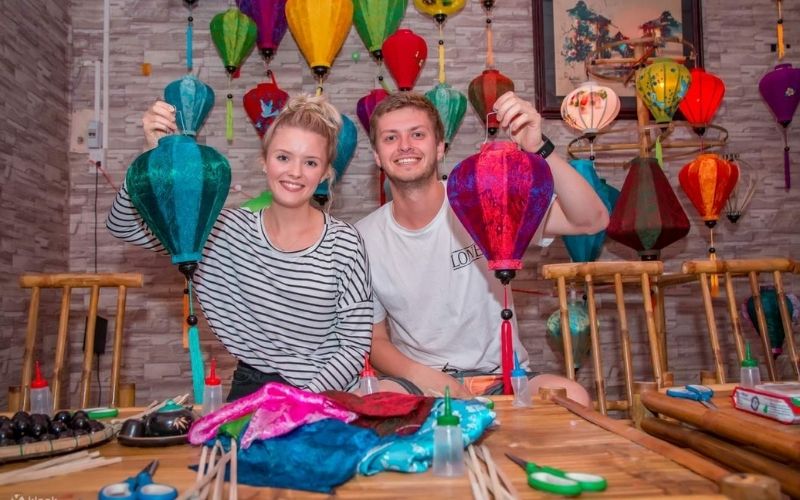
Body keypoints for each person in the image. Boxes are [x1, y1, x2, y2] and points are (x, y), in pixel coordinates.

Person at [107, 94, 373, 401]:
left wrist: (298, 403)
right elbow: (122, 225)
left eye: (310, 162)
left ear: (325, 172)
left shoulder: (345, 243)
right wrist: (153, 156)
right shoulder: (219, 231)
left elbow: (354, 346)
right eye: (283, 157)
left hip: (326, 389)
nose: (295, 172)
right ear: (264, 161)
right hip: (253, 386)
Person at [356, 91, 610, 404]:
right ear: (377, 156)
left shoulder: (483, 199)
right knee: (369, 402)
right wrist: (427, 378)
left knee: (574, 396)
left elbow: (592, 220)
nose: (405, 145)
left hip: (503, 376)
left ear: (440, 147)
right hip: (421, 381)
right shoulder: (362, 239)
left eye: (417, 134)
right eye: (391, 137)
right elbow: (375, 339)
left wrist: (538, 148)